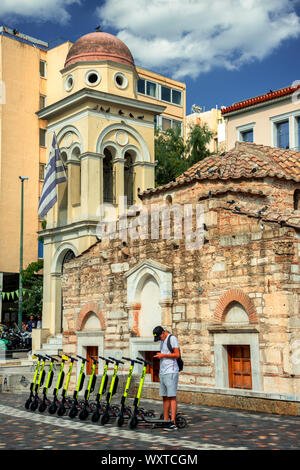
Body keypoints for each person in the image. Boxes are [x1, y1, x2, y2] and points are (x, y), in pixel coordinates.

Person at [153, 325, 180, 431]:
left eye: (160, 337)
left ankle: (173, 422)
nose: (160, 339)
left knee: (172, 396)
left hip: (171, 371)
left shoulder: (172, 339)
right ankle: (165, 419)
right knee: (164, 396)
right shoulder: (162, 341)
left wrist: (163, 355)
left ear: (163, 333)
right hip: (163, 372)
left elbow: (176, 354)